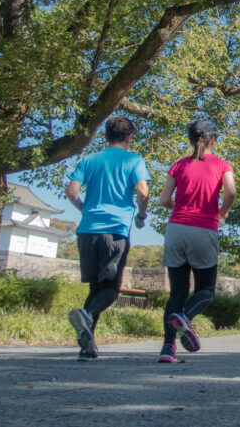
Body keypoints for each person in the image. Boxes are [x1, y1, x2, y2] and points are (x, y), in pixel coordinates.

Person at [65, 116, 151, 361]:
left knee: (96, 287)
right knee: (111, 291)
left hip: (87, 231)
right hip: (115, 232)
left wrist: (86, 210)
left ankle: (87, 346)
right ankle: (88, 314)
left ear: (105, 137)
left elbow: (72, 192)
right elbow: (143, 192)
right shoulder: (134, 160)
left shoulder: (89, 160)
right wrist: (141, 216)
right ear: (129, 138)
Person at [157, 120, 237, 363]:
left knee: (177, 292)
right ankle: (185, 317)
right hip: (203, 229)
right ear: (213, 139)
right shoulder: (222, 165)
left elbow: (163, 200)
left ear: (190, 140)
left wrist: (179, 207)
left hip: (176, 230)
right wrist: (222, 211)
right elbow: (231, 193)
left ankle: (167, 349)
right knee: (205, 291)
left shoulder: (178, 165)